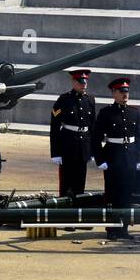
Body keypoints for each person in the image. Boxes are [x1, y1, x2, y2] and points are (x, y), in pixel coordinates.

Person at [94, 75, 140, 241]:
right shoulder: (106, 113)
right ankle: (112, 228)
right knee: (113, 195)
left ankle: (124, 228)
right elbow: (96, 137)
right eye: (121, 92)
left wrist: (139, 159)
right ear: (114, 93)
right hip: (113, 156)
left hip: (129, 157)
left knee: (127, 195)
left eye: (126, 91)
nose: (125, 94)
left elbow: (138, 137)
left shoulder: (134, 112)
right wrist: (100, 159)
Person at [49, 67, 97, 197]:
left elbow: (92, 127)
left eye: (85, 82)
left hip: (84, 148)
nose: (83, 85)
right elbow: (55, 127)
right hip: (68, 146)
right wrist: (55, 153)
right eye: (81, 82)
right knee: (66, 185)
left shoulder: (90, 100)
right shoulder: (63, 100)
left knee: (80, 185)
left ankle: (78, 212)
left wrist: (92, 151)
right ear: (74, 82)